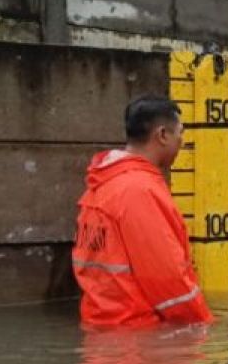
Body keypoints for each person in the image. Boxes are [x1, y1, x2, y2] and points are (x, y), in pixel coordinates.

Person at [72, 95, 213, 327]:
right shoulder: (139, 191)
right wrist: (206, 329)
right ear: (163, 135)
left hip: (103, 332)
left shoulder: (102, 185)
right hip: (141, 338)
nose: (183, 141)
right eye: (181, 132)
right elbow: (169, 282)